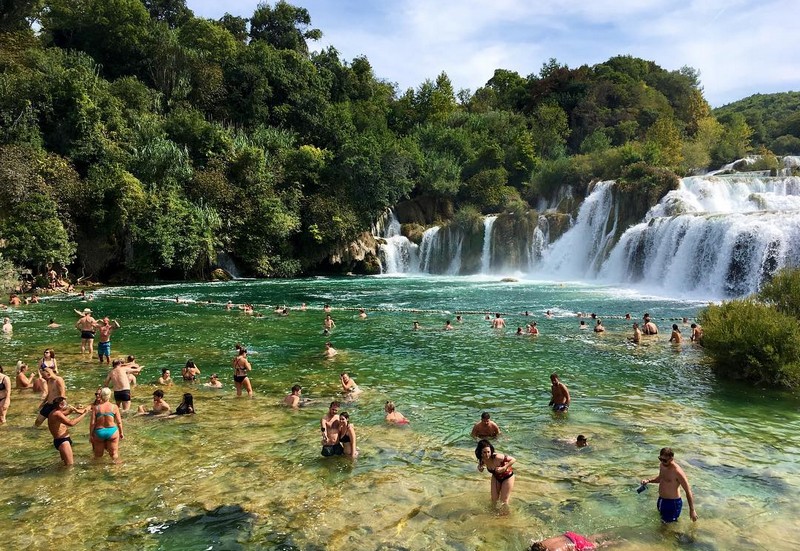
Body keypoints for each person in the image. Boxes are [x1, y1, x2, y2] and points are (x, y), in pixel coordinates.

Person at [640, 447, 697, 523]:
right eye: (660, 459)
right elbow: (661, 478)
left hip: (672, 503)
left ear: (671, 458)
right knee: (662, 524)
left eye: (665, 460)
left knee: (668, 528)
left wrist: (692, 510)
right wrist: (648, 480)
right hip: (661, 500)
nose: (662, 462)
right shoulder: (662, 465)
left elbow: (688, 491)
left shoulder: (677, 472)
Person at [475, 439, 516, 511]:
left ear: (491, 451)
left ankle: (504, 517)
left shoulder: (497, 457)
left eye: (488, 452)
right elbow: (481, 465)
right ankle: (493, 516)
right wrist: (480, 467)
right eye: (484, 452)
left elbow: (513, 459)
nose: (487, 454)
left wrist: (504, 467)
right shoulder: (482, 459)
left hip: (507, 477)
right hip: (496, 477)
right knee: (494, 500)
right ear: (480, 453)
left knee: (504, 501)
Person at [47, 397, 89, 466]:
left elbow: (65, 413)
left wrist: (74, 409)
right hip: (63, 441)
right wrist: (84, 414)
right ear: (61, 405)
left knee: (64, 464)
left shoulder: (55, 412)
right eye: (65, 403)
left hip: (60, 440)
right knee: (70, 465)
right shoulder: (57, 414)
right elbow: (71, 423)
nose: (67, 405)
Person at [89, 387, 124, 461]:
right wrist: (121, 433)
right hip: (112, 431)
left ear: (101, 395)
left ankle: (97, 470)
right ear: (109, 396)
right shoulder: (114, 407)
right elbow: (119, 422)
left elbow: (92, 423)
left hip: (99, 432)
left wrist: (91, 435)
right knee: (114, 454)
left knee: (98, 456)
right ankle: (117, 470)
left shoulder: (96, 408)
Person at [529, 532, 613, 551]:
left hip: (578, 545)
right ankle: (608, 533)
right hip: (569, 536)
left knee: (599, 546)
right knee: (590, 538)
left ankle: (616, 542)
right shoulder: (537, 545)